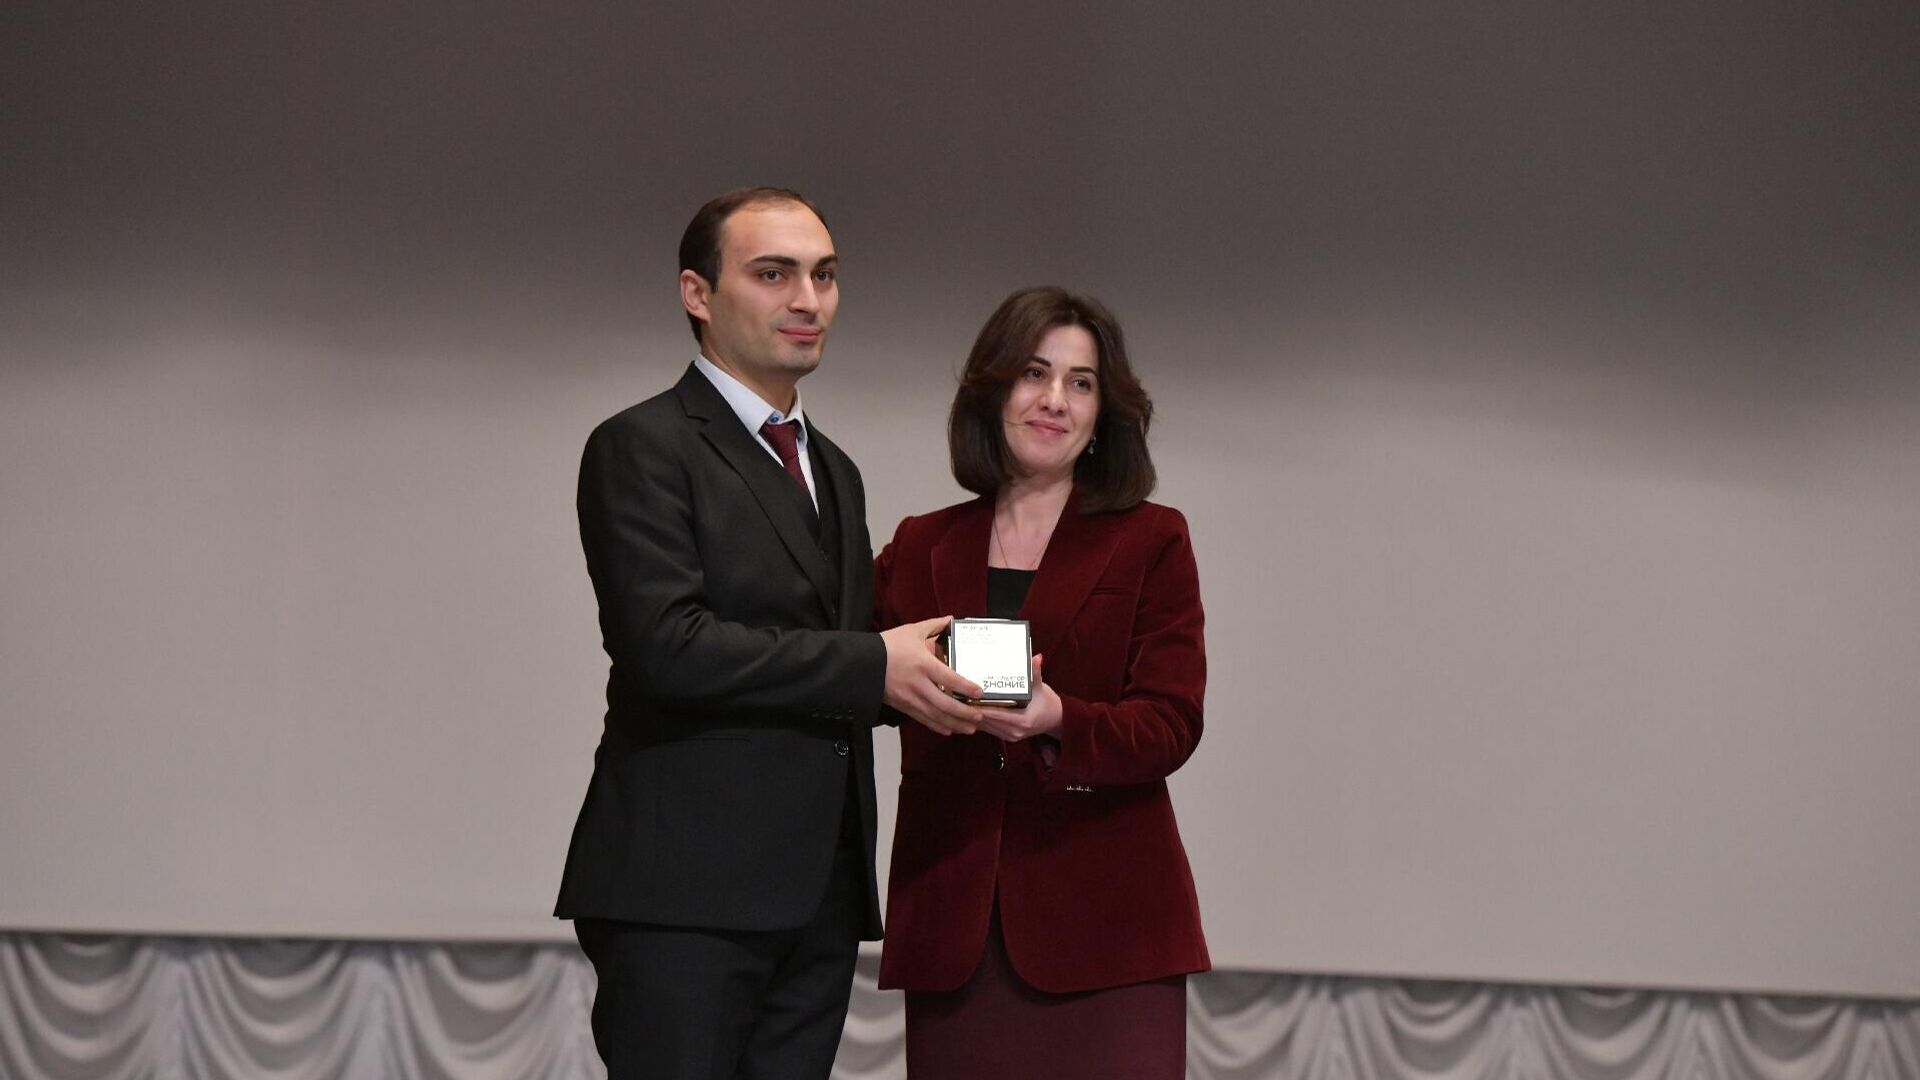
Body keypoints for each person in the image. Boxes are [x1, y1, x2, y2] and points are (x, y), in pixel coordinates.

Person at [554, 187, 985, 1080]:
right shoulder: (642, 445)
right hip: (683, 893)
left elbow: (842, 654)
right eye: (774, 274)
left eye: (824, 276)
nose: (808, 300)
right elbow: (668, 647)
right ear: (697, 294)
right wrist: (875, 663)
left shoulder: (835, 467)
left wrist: (953, 676)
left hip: (818, 891)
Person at [873, 286, 1210, 1078]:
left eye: (1080, 382)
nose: (1055, 399)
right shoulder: (921, 543)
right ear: (993, 390)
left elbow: (1171, 723)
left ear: (1102, 413)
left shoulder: (1151, 538)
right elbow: (859, 674)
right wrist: (899, 685)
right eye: (1034, 373)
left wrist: (1059, 718)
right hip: (954, 929)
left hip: (1111, 932)